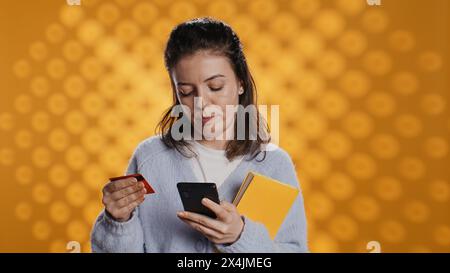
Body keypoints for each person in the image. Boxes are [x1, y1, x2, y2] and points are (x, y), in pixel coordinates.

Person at [90, 17, 308, 253]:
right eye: (185, 92)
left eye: (215, 87)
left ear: (241, 83)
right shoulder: (150, 158)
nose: (201, 103)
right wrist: (118, 222)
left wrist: (241, 238)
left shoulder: (274, 165)